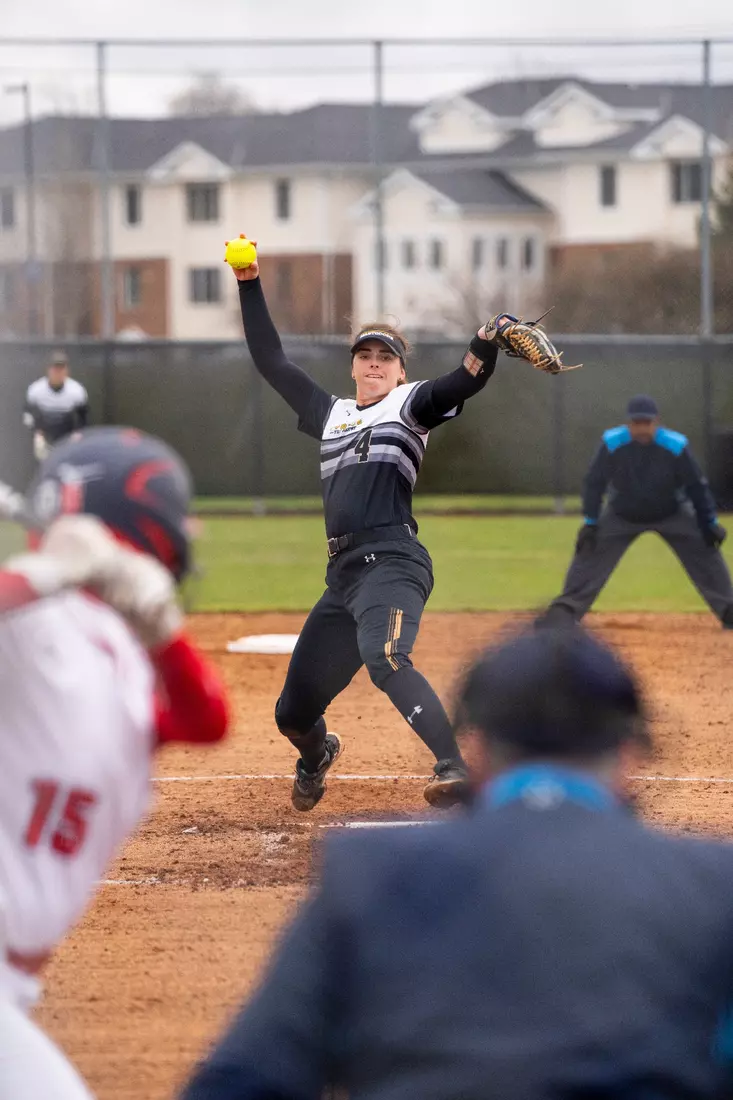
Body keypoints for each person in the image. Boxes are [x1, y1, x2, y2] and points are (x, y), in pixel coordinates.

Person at [180, 626, 733, 1100]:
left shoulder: (367, 875)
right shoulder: (715, 888)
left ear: (476, 749)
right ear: (631, 757)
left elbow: (241, 1080)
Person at [230, 240, 519, 809]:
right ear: (354, 366)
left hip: (393, 561)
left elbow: (465, 380)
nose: (374, 363)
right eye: (365, 356)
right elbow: (271, 361)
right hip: (343, 577)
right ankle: (316, 754)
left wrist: (485, 342)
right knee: (293, 712)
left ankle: (454, 766)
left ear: (400, 370)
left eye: (385, 357)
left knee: (386, 656)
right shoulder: (331, 414)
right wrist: (248, 281)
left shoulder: (411, 405)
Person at [0, 426, 230, 1099]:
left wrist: (163, 630)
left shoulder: (120, 656)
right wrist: (39, 575)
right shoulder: (33, 626)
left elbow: (206, 721)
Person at [539, 394, 733, 629]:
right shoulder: (612, 443)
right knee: (589, 546)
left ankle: (728, 609)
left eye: (646, 423)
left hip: (671, 511)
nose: (642, 428)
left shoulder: (675, 445)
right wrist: (590, 521)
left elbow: (696, 486)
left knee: (705, 545)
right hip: (622, 513)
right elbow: (594, 482)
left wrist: (709, 523)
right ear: (628, 423)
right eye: (637, 423)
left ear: (656, 422)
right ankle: (566, 610)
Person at [23, 349, 90, 462]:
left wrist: (78, 434)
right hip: (44, 434)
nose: (58, 372)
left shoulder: (77, 390)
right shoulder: (35, 390)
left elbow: (84, 416)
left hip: (67, 435)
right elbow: (27, 414)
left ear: (67, 371)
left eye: (61, 368)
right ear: (48, 370)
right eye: (55, 368)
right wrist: (36, 433)